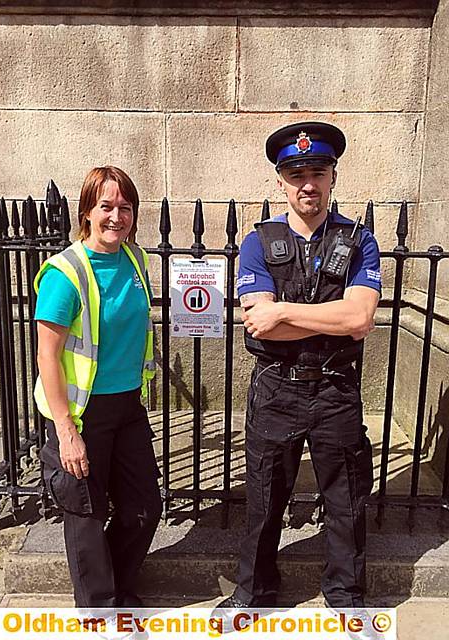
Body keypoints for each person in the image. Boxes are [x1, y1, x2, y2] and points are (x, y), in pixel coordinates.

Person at [216, 122, 381, 621]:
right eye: (296, 173)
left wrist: (285, 312)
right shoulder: (257, 242)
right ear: (281, 181)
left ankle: (346, 595)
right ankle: (255, 590)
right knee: (264, 498)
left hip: (335, 388)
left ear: (333, 176)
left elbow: (358, 320)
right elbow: (258, 326)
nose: (307, 183)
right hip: (276, 390)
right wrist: (319, 320)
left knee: (346, 500)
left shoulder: (359, 241)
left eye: (317, 171)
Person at [34, 166, 162, 608]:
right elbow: (46, 355)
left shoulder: (137, 260)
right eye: (106, 206)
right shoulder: (64, 273)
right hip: (80, 412)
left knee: (144, 509)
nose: (116, 216)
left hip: (127, 406)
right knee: (86, 513)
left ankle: (117, 585)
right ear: (87, 211)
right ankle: (99, 609)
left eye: (125, 207)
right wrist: (66, 430)